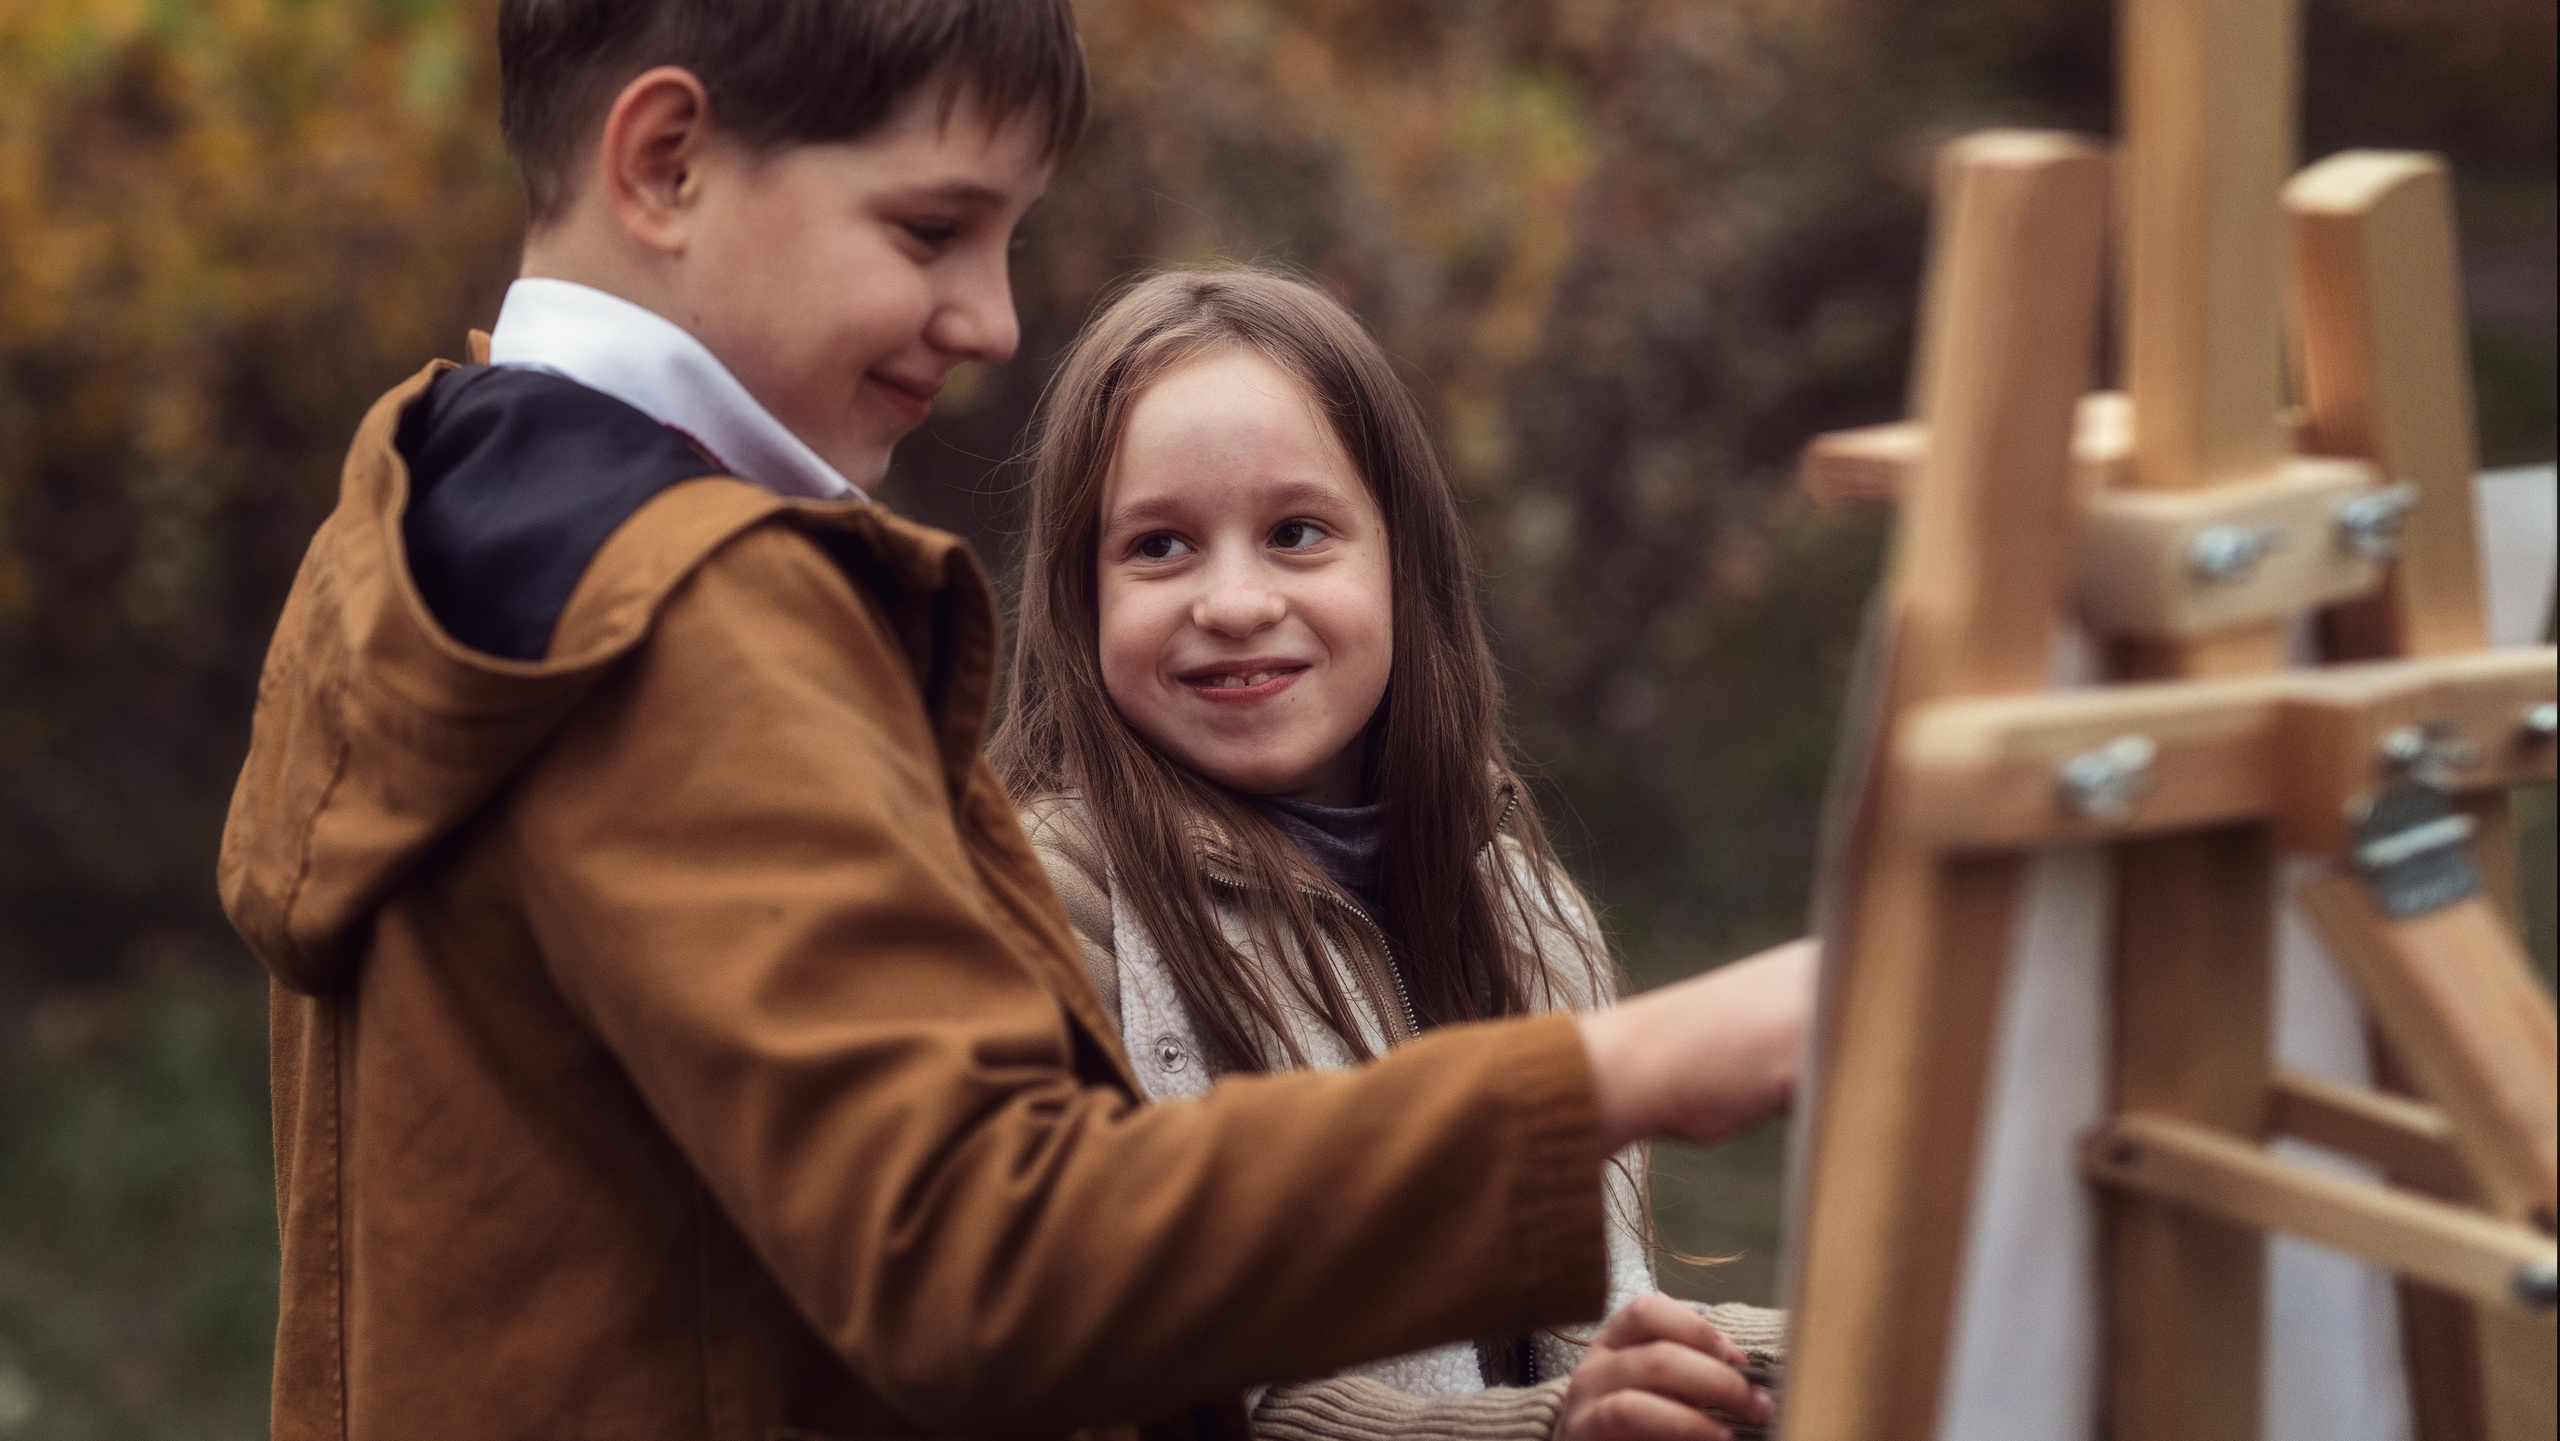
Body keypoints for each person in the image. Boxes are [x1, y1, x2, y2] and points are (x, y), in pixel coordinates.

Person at [217, 2, 1815, 1437]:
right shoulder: (684, 614)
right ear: (668, 161)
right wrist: (1640, 1064)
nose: (989, 318)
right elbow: (987, 1255)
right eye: (931, 230)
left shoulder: (432, 497)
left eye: (1004, 241)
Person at [995, 267, 1799, 1440]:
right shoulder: (1043, 904)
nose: (1232, 599)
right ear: (1076, 596)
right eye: (1159, 545)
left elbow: (1582, 1337)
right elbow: (1158, 1392)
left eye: (1297, 533)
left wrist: (1775, 1365)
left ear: (1403, 561)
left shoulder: (1512, 891)